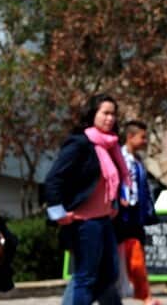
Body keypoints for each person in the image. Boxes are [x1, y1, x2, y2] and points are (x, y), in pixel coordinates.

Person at [46, 94, 132, 305]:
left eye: (113, 114)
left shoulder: (111, 146)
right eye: (105, 113)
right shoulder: (80, 144)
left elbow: (111, 181)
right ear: (93, 114)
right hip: (84, 223)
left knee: (108, 276)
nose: (110, 118)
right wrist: (57, 212)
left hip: (104, 221)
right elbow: (54, 178)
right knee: (86, 278)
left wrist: (114, 203)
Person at [116, 120, 160, 305]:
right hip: (122, 213)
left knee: (136, 254)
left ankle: (144, 295)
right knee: (125, 256)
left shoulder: (138, 161)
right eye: (142, 137)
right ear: (130, 136)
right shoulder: (118, 156)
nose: (145, 141)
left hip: (136, 213)